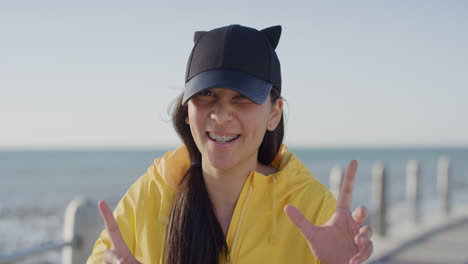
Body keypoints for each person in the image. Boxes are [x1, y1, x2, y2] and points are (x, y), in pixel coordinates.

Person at [86, 24, 373, 264]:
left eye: (242, 98)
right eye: (206, 94)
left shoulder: (311, 206)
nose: (221, 114)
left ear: (274, 113)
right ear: (186, 109)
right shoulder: (151, 194)